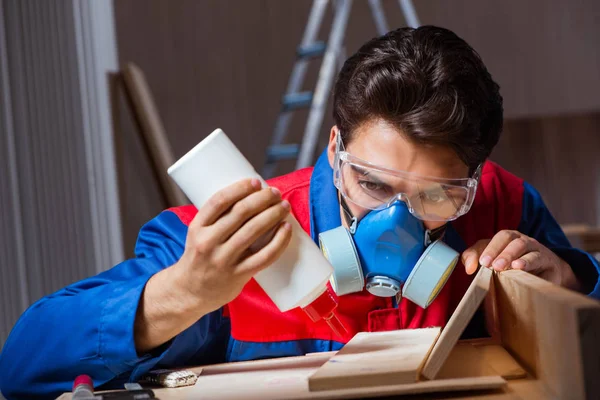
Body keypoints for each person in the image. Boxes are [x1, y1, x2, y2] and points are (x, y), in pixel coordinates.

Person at [1, 26, 598, 400]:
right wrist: (182, 292)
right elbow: (23, 365)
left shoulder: (504, 204)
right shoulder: (226, 239)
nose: (397, 217)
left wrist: (572, 282)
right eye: (370, 182)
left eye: (435, 195)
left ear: (471, 182)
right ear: (336, 150)